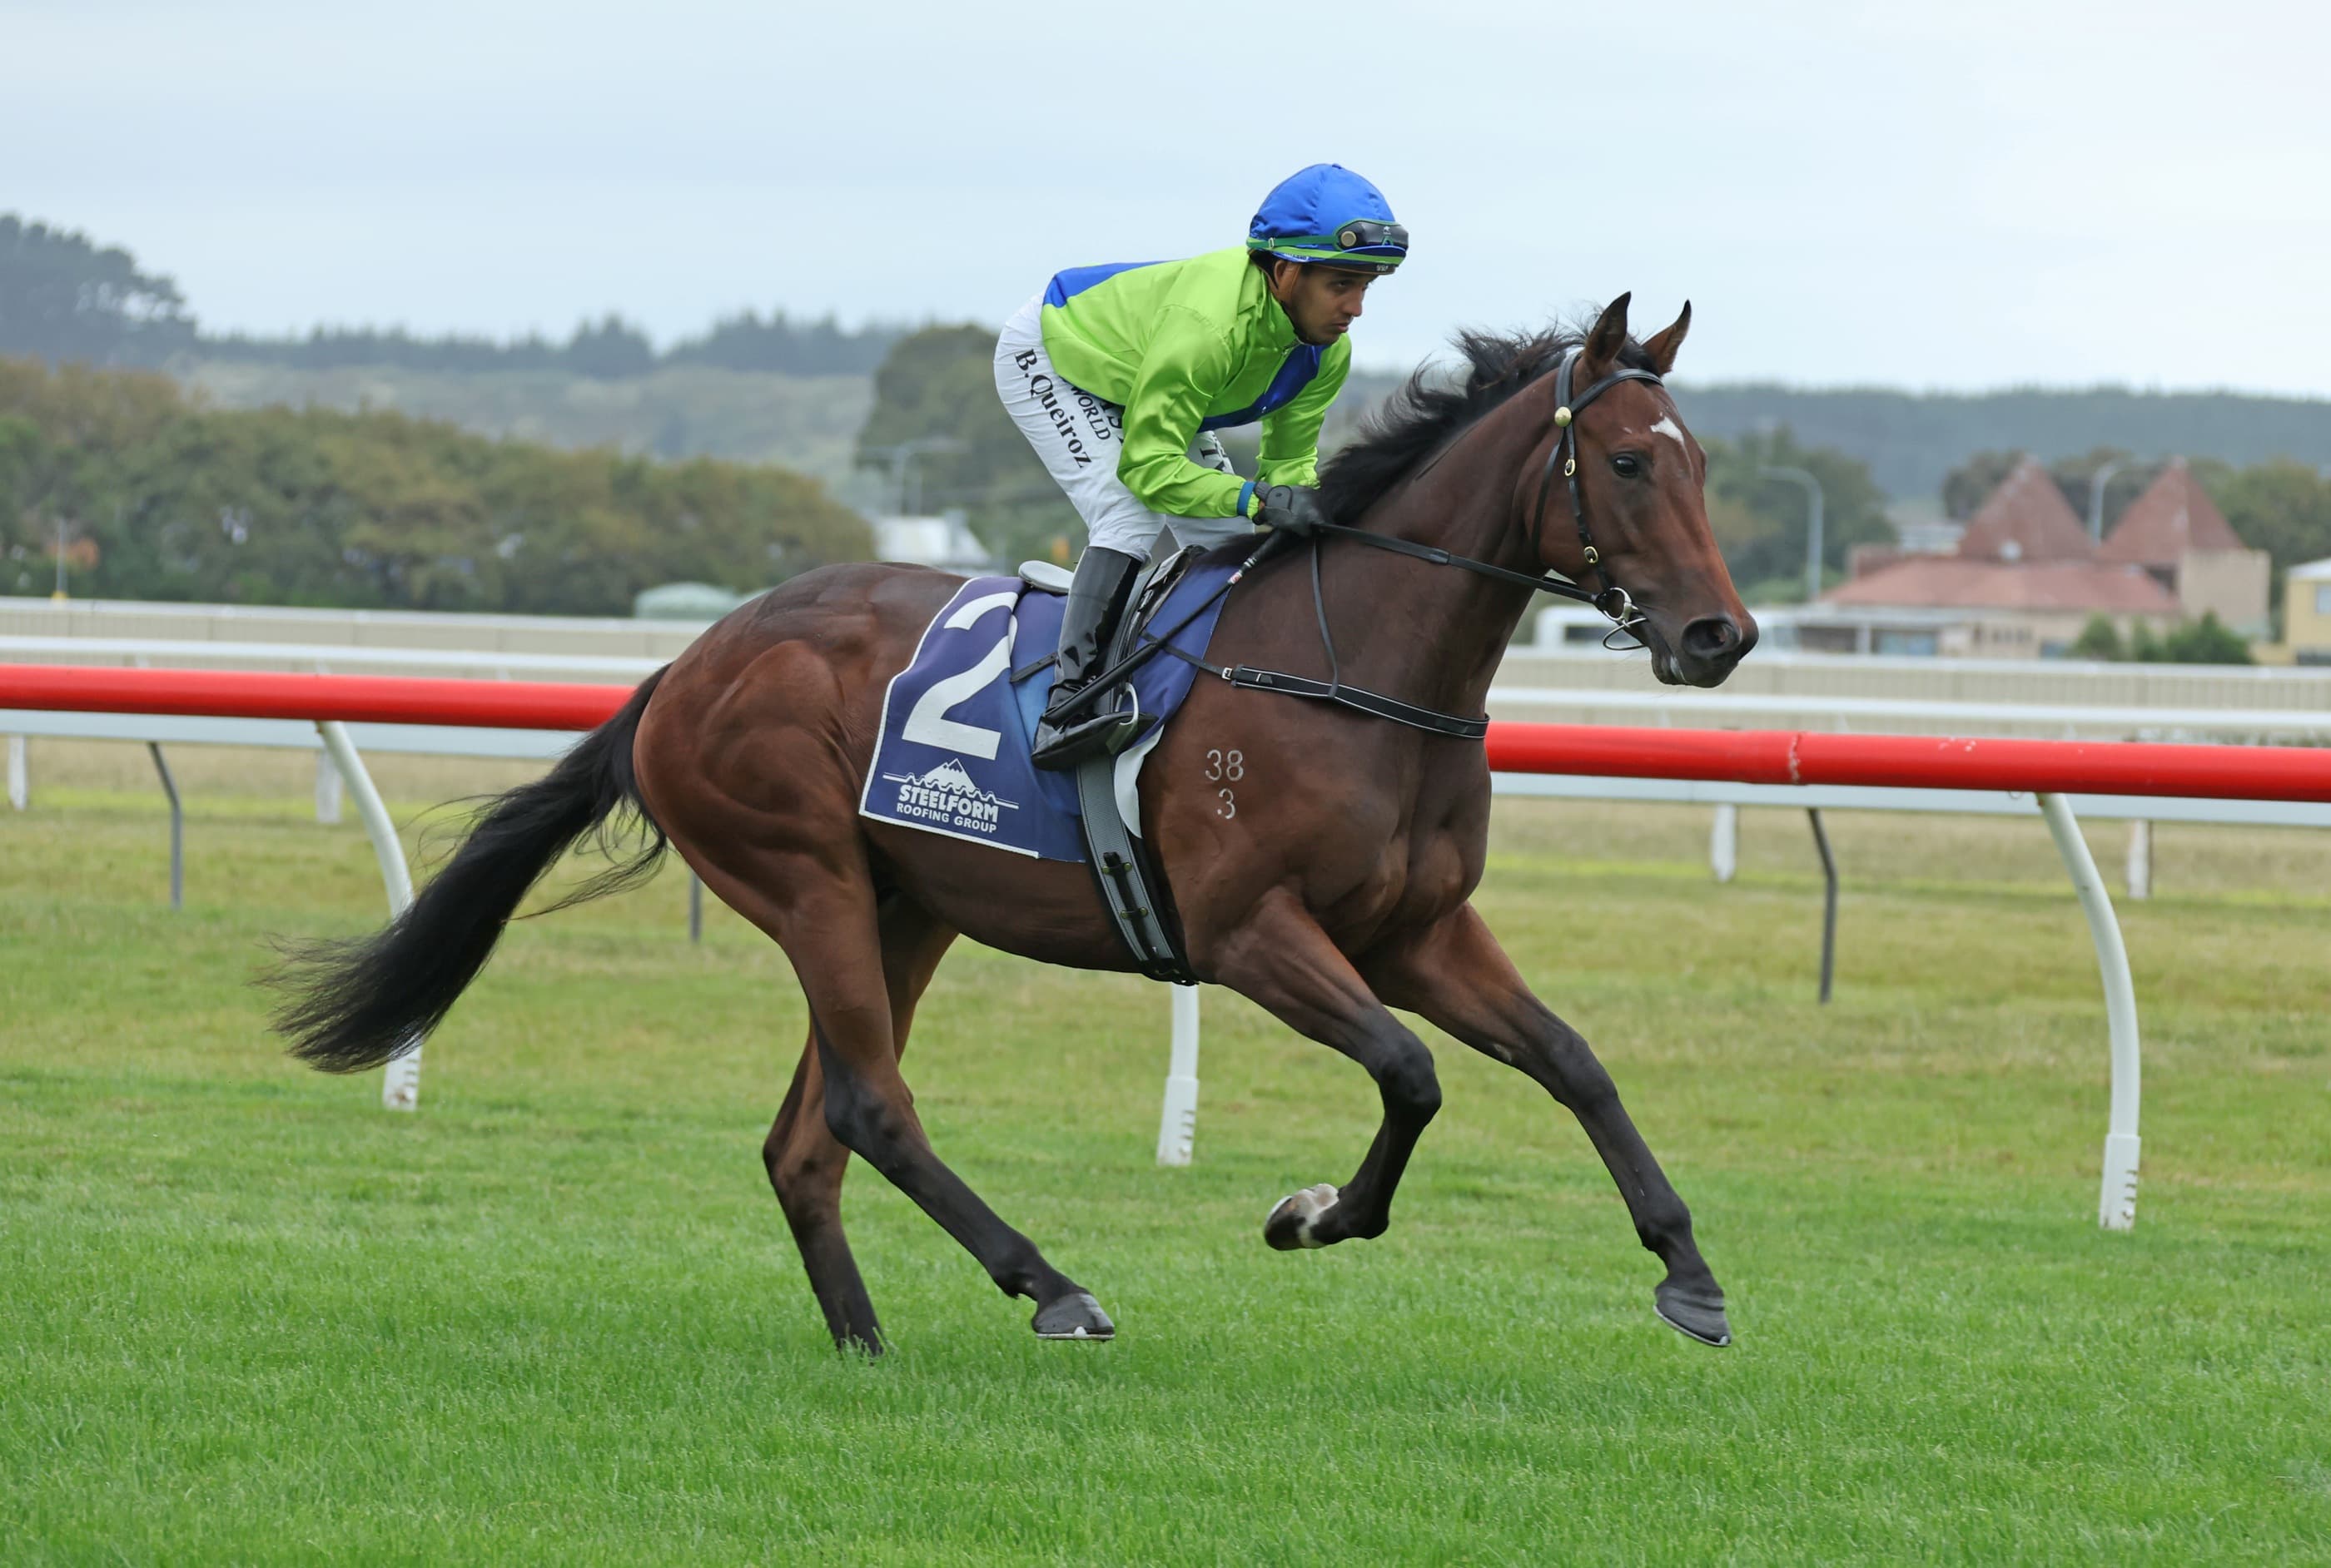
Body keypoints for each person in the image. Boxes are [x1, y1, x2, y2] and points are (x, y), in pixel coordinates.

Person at [993, 162, 1408, 769]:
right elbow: (1150, 469)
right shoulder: (1209, 332)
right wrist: (1254, 498)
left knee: (1233, 542)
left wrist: (1294, 507)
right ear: (1284, 270)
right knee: (1127, 514)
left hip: (1144, 375)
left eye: (1367, 286)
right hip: (1058, 354)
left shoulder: (1327, 354)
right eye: (1341, 284)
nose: (1356, 307)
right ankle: (1069, 705)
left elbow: (1288, 464)